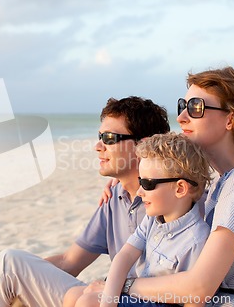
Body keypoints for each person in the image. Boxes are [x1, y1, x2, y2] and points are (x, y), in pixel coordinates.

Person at [0, 96, 171, 307]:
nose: (98, 146)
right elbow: (68, 262)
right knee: (2, 271)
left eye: (110, 138)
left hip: (129, 300)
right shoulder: (115, 198)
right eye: (99, 137)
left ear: (144, 145)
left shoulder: (170, 197)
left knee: (8, 265)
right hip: (105, 296)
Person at [98, 67, 234, 306]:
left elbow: (199, 287)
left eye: (196, 107)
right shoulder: (226, 179)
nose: (181, 118)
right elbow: (172, 181)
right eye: (182, 106)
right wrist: (127, 180)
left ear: (230, 119)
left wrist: (121, 284)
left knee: (90, 299)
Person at [63, 132, 212, 307]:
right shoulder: (152, 221)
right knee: (73, 295)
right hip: (139, 295)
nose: (140, 193)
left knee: (88, 301)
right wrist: (108, 300)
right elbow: (124, 256)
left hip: (163, 302)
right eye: (140, 181)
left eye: (148, 184)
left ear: (180, 189)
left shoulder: (196, 239)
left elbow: (193, 298)